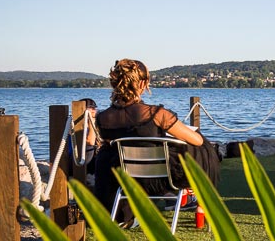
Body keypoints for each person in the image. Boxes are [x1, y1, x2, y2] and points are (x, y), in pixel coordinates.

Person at [93, 59, 221, 225]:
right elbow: (196, 140)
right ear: (143, 83)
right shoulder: (156, 114)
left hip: (123, 176)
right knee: (202, 146)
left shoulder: (103, 118)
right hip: (158, 178)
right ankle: (201, 202)